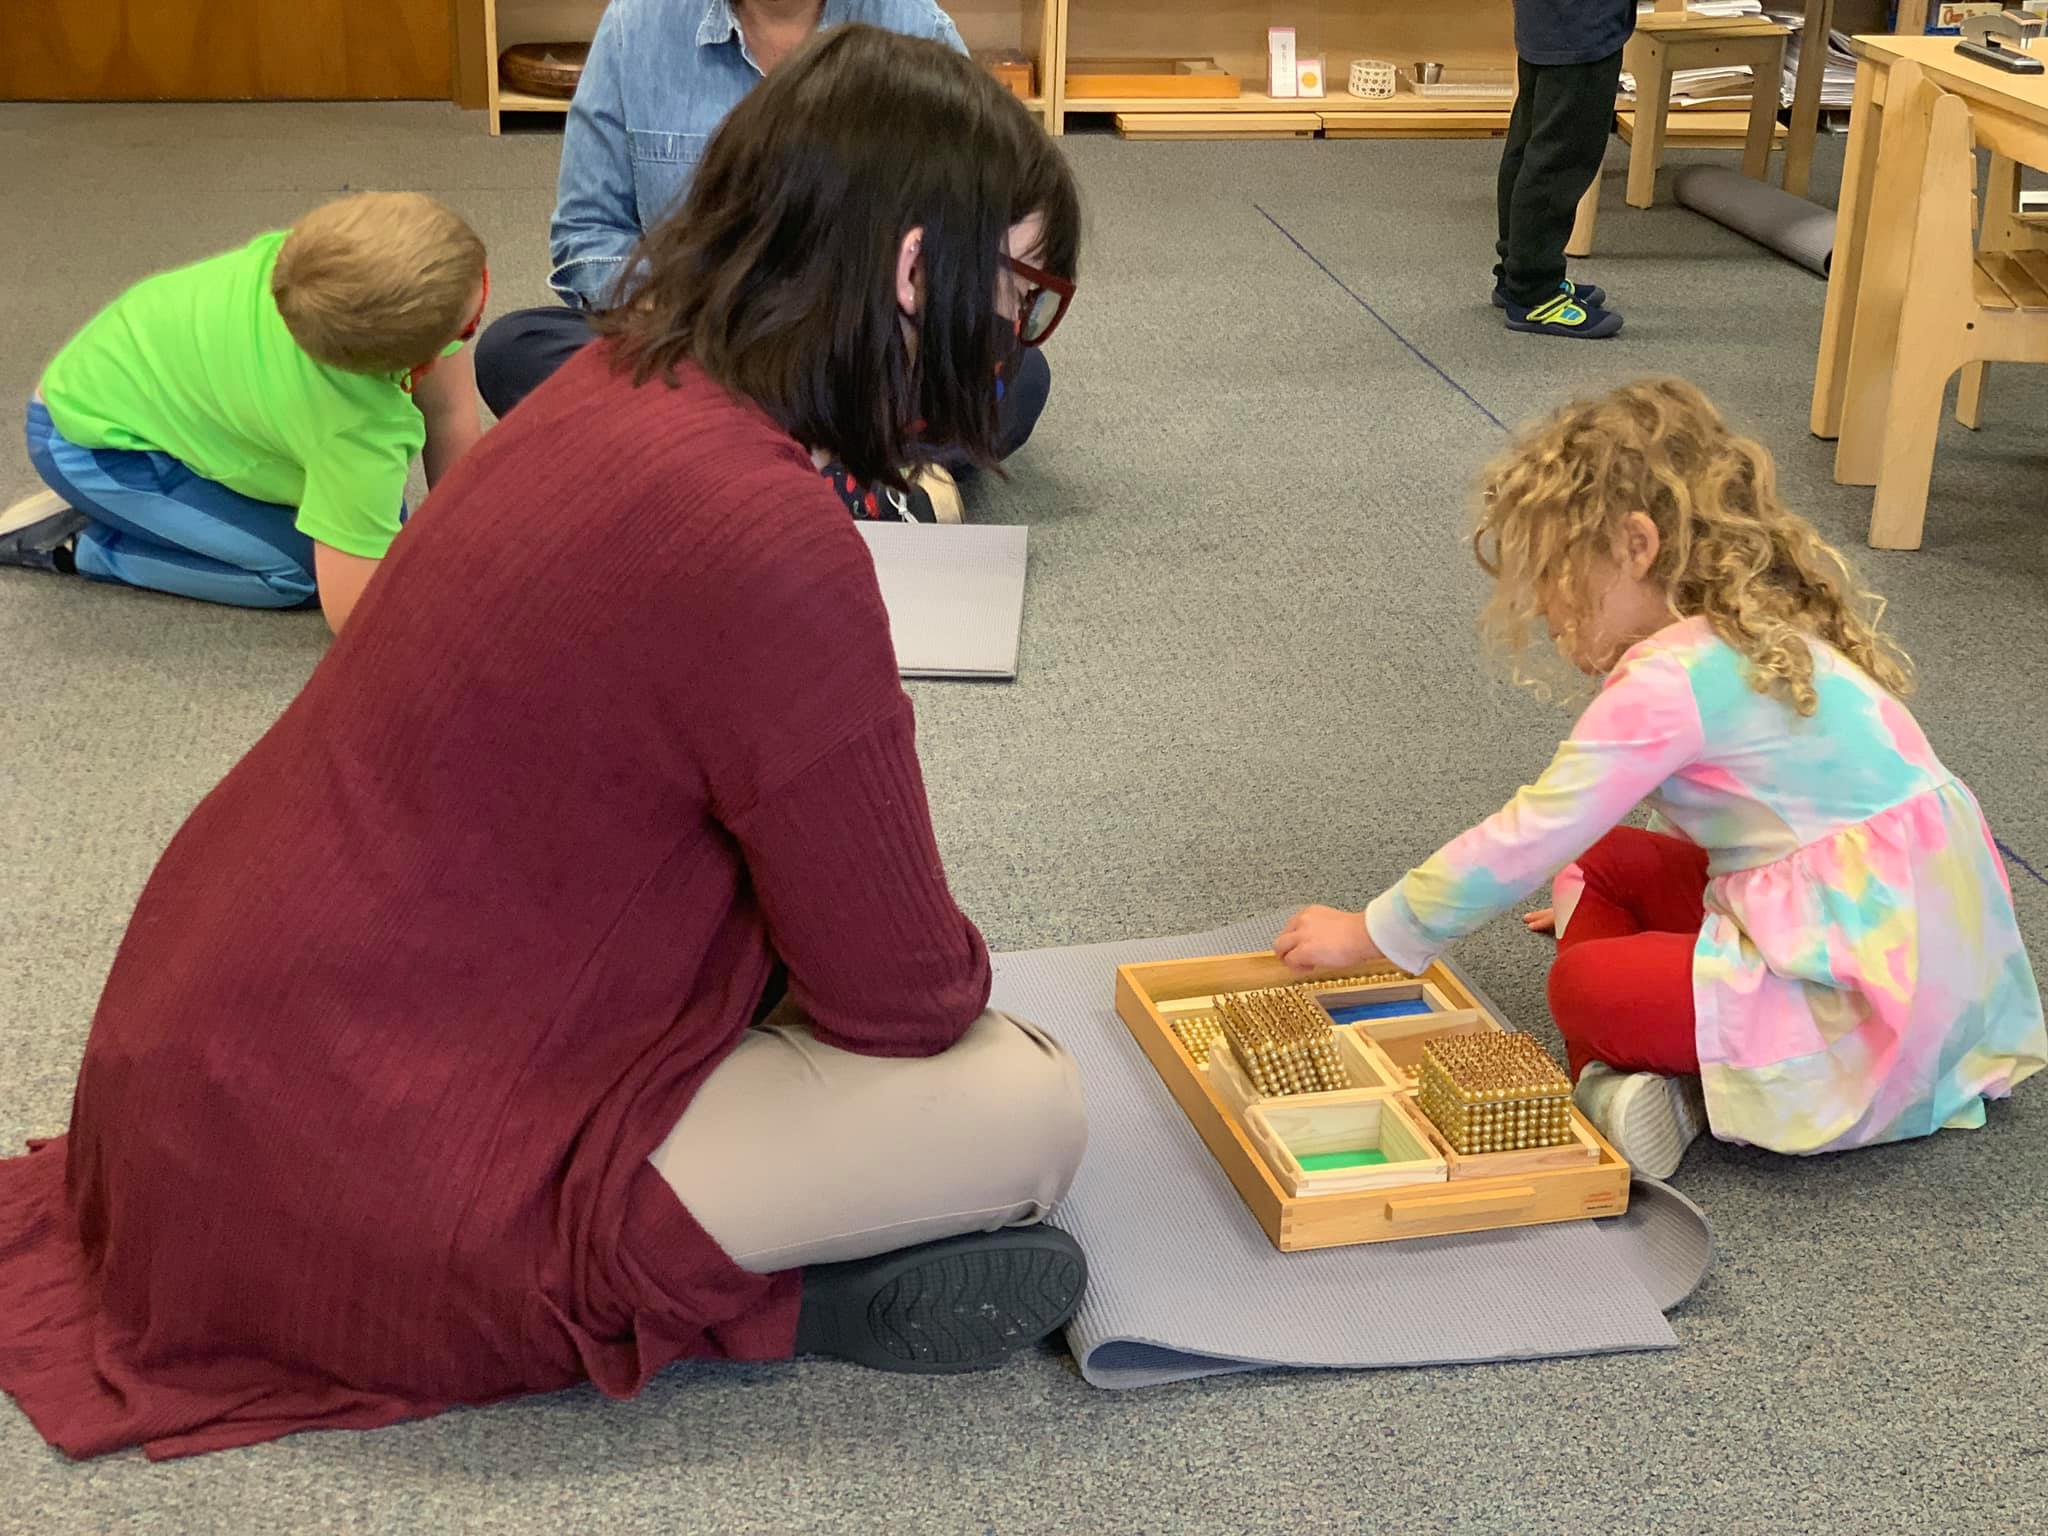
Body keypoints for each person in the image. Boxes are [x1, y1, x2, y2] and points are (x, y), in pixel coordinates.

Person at [0, 26, 1086, 1461]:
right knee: (1027, 1110)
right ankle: (740, 1299)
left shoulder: (609, 379)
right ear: (908, 273)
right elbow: (900, 995)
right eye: (1017, 294)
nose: (1008, 341)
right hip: (368, 1173)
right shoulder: (767, 534)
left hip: (197, 1081)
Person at [1272, 378, 2045, 1178]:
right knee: (1600, 863)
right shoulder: (1759, 624)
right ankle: (1677, 1036)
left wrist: (1373, 932)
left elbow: (1531, 831)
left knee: (1586, 985)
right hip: (1913, 943)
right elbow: (1745, 809)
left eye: (1556, 576)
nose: (1544, 608)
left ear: (1636, 546)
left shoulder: (1667, 680)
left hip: (1862, 992)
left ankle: (1662, 1091)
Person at [474, 0, 1058, 521]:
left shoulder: (913, 24)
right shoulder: (636, 24)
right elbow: (587, 235)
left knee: (1020, 375)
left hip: (864, 352)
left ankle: (707, 467)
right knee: (513, 349)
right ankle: (856, 470)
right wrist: (699, 314)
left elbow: (981, 231)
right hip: (705, 345)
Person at [0, 193, 487, 632]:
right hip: (93, 443)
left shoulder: (322, 269)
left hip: (134, 384)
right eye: (470, 325)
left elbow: (450, 413)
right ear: (414, 362)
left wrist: (466, 541)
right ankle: (87, 544)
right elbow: (355, 617)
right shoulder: (357, 430)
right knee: (301, 575)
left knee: (376, 521)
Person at [1492, 0, 1632, 338]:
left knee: (1529, 144)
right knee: (1559, 158)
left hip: (1549, 23)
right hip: (1580, 25)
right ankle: (1535, 292)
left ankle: (1517, 274)